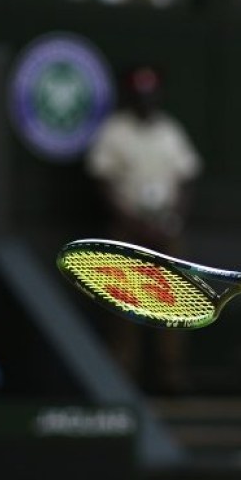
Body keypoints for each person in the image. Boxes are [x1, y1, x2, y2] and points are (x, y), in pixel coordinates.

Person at [85, 64, 202, 391]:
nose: (145, 101)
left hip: (165, 227)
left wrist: (173, 219)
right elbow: (101, 182)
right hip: (127, 228)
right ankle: (122, 377)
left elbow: (187, 178)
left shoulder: (170, 131)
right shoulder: (115, 131)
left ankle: (171, 375)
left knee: (175, 298)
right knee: (124, 301)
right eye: (140, 95)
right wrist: (131, 222)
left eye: (150, 95)